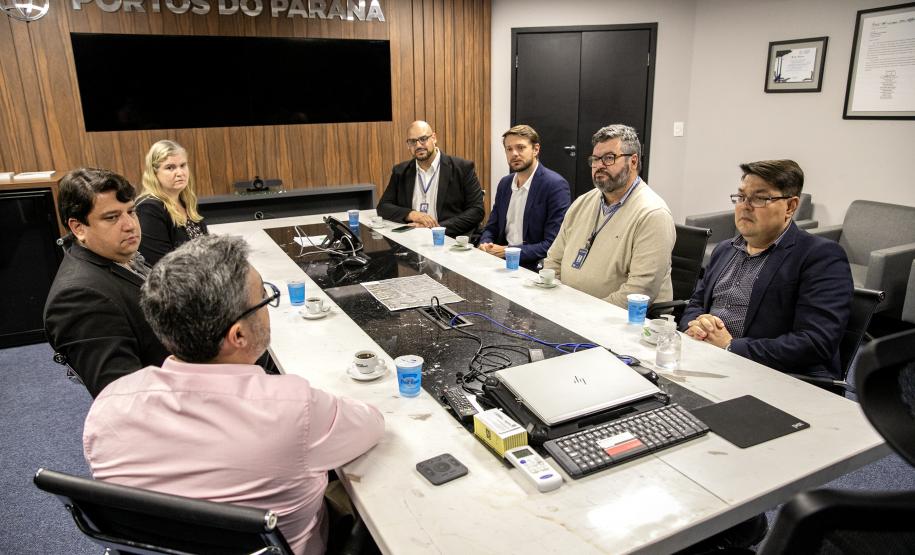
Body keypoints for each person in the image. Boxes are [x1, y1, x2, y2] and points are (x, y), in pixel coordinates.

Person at [83, 234, 385, 555]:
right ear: (238, 335)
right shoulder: (295, 408)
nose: (268, 305)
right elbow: (372, 425)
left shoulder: (109, 406)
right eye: (264, 298)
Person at [681, 160, 853, 378]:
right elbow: (696, 302)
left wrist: (731, 347)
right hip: (705, 360)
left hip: (771, 376)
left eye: (760, 198)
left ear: (790, 207)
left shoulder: (820, 257)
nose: (745, 205)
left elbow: (816, 341)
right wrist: (695, 325)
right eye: (741, 197)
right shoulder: (724, 249)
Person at [44, 168, 169, 397]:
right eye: (112, 217)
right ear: (78, 228)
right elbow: (124, 398)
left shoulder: (122, 257)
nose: (130, 224)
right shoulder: (79, 298)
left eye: (131, 211)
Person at [542, 124, 675, 308]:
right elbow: (553, 261)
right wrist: (556, 299)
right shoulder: (582, 202)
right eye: (595, 159)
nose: (599, 166)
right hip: (568, 311)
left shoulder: (652, 215)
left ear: (633, 161)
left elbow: (639, 291)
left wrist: (583, 313)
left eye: (609, 158)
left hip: (621, 323)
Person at [478, 124, 571, 270]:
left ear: (536, 149)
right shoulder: (505, 183)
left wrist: (507, 252)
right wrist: (485, 244)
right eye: (509, 149)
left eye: (520, 147)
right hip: (499, 262)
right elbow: (492, 227)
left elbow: (552, 243)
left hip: (533, 266)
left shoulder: (555, 185)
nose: (514, 153)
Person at [377, 120, 484, 237]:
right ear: (408, 145)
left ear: (434, 138)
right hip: (412, 239)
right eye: (413, 141)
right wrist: (412, 214)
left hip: (449, 238)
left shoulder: (462, 168)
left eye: (423, 139)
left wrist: (435, 229)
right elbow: (383, 207)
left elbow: (476, 211)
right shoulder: (400, 171)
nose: (418, 145)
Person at [136, 139, 208, 266]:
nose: (180, 173)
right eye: (170, 167)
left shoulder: (187, 203)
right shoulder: (148, 209)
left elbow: (210, 249)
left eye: (183, 165)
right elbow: (162, 266)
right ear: (154, 173)